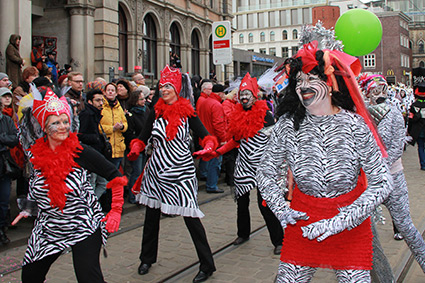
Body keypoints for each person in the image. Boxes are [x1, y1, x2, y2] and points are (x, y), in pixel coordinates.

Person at [256, 41, 392, 282]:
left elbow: (382, 182)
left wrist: (340, 222)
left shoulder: (354, 126)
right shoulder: (288, 126)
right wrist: (282, 209)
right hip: (303, 222)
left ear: (329, 83)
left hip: (349, 226)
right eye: (298, 81)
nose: (303, 87)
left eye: (310, 79)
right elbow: (265, 173)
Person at [12, 87, 127, 283]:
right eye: (56, 123)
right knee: (30, 276)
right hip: (49, 226)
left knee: (88, 278)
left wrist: (115, 210)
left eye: (66, 121)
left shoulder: (80, 151)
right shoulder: (36, 154)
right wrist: (29, 208)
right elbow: (37, 184)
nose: (63, 126)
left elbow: (115, 175)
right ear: (44, 128)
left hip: (83, 224)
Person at [127, 65, 217, 282]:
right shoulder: (154, 112)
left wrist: (208, 145)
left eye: (168, 86)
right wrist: (136, 147)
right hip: (156, 171)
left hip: (181, 172)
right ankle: (146, 258)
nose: (164, 89)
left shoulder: (188, 112)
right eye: (162, 86)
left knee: (191, 217)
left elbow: (206, 135)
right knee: (151, 217)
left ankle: (207, 265)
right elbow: (143, 136)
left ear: (177, 89)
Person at [195, 73, 284, 255]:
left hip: (263, 166)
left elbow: (276, 142)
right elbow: (235, 141)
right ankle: (243, 233)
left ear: (254, 96)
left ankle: (279, 240)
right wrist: (217, 152)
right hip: (244, 165)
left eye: (247, 94)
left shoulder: (265, 115)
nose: (244, 98)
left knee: (264, 204)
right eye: (241, 95)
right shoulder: (237, 115)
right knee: (241, 202)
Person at [359, 74, 425, 276]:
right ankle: (378, 275)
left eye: (381, 90)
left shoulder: (394, 112)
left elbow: (396, 147)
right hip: (367, 184)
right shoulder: (362, 115)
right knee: (365, 234)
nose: (378, 94)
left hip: (392, 178)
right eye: (373, 91)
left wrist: (377, 167)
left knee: (405, 226)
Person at [78, 89, 109, 199]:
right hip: (90, 153)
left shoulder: (96, 113)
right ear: (90, 101)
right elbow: (80, 134)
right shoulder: (86, 114)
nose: (101, 103)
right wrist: (96, 138)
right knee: (91, 182)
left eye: (102, 100)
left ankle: (92, 204)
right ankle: (90, 206)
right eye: (98, 100)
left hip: (97, 152)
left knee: (102, 182)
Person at [196, 83, 227, 193]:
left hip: (206, 137)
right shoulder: (216, 104)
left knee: (208, 161)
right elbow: (218, 124)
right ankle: (212, 185)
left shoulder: (205, 102)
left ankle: (208, 181)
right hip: (214, 139)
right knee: (215, 163)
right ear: (220, 93)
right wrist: (223, 139)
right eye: (223, 93)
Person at [123, 87, 150, 203]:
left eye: (144, 98)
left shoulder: (147, 111)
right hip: (136, 147)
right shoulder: (131, 115)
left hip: (146, 146)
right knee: (136, 171)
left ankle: (141, 193)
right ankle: (133, 195)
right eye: (141, 99)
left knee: (143, 171)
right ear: (135, 101)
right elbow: (129, 133)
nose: (144, 101)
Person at [0, 87, 19, 245]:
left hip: (4, 164)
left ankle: (2, 230)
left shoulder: (6, 120)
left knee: (4, 199)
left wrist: (2, 138)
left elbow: (14, 138)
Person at [100, 82, 128, 169]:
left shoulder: (119, 107)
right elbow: (98, 127)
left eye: (112, 90)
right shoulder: (101, 107)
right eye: (108, 90)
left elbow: (125, 123)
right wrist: (112, 128)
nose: (110, 92)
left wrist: (122, 127)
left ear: (116, 93)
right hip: (105, 146)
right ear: (104, 92)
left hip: (118, 147)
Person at [408, 82, 425, 170]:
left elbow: (410, 119)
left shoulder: (414, 105)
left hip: (418, 130)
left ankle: (423, 164)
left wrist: (409, 131)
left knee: (421, 147)